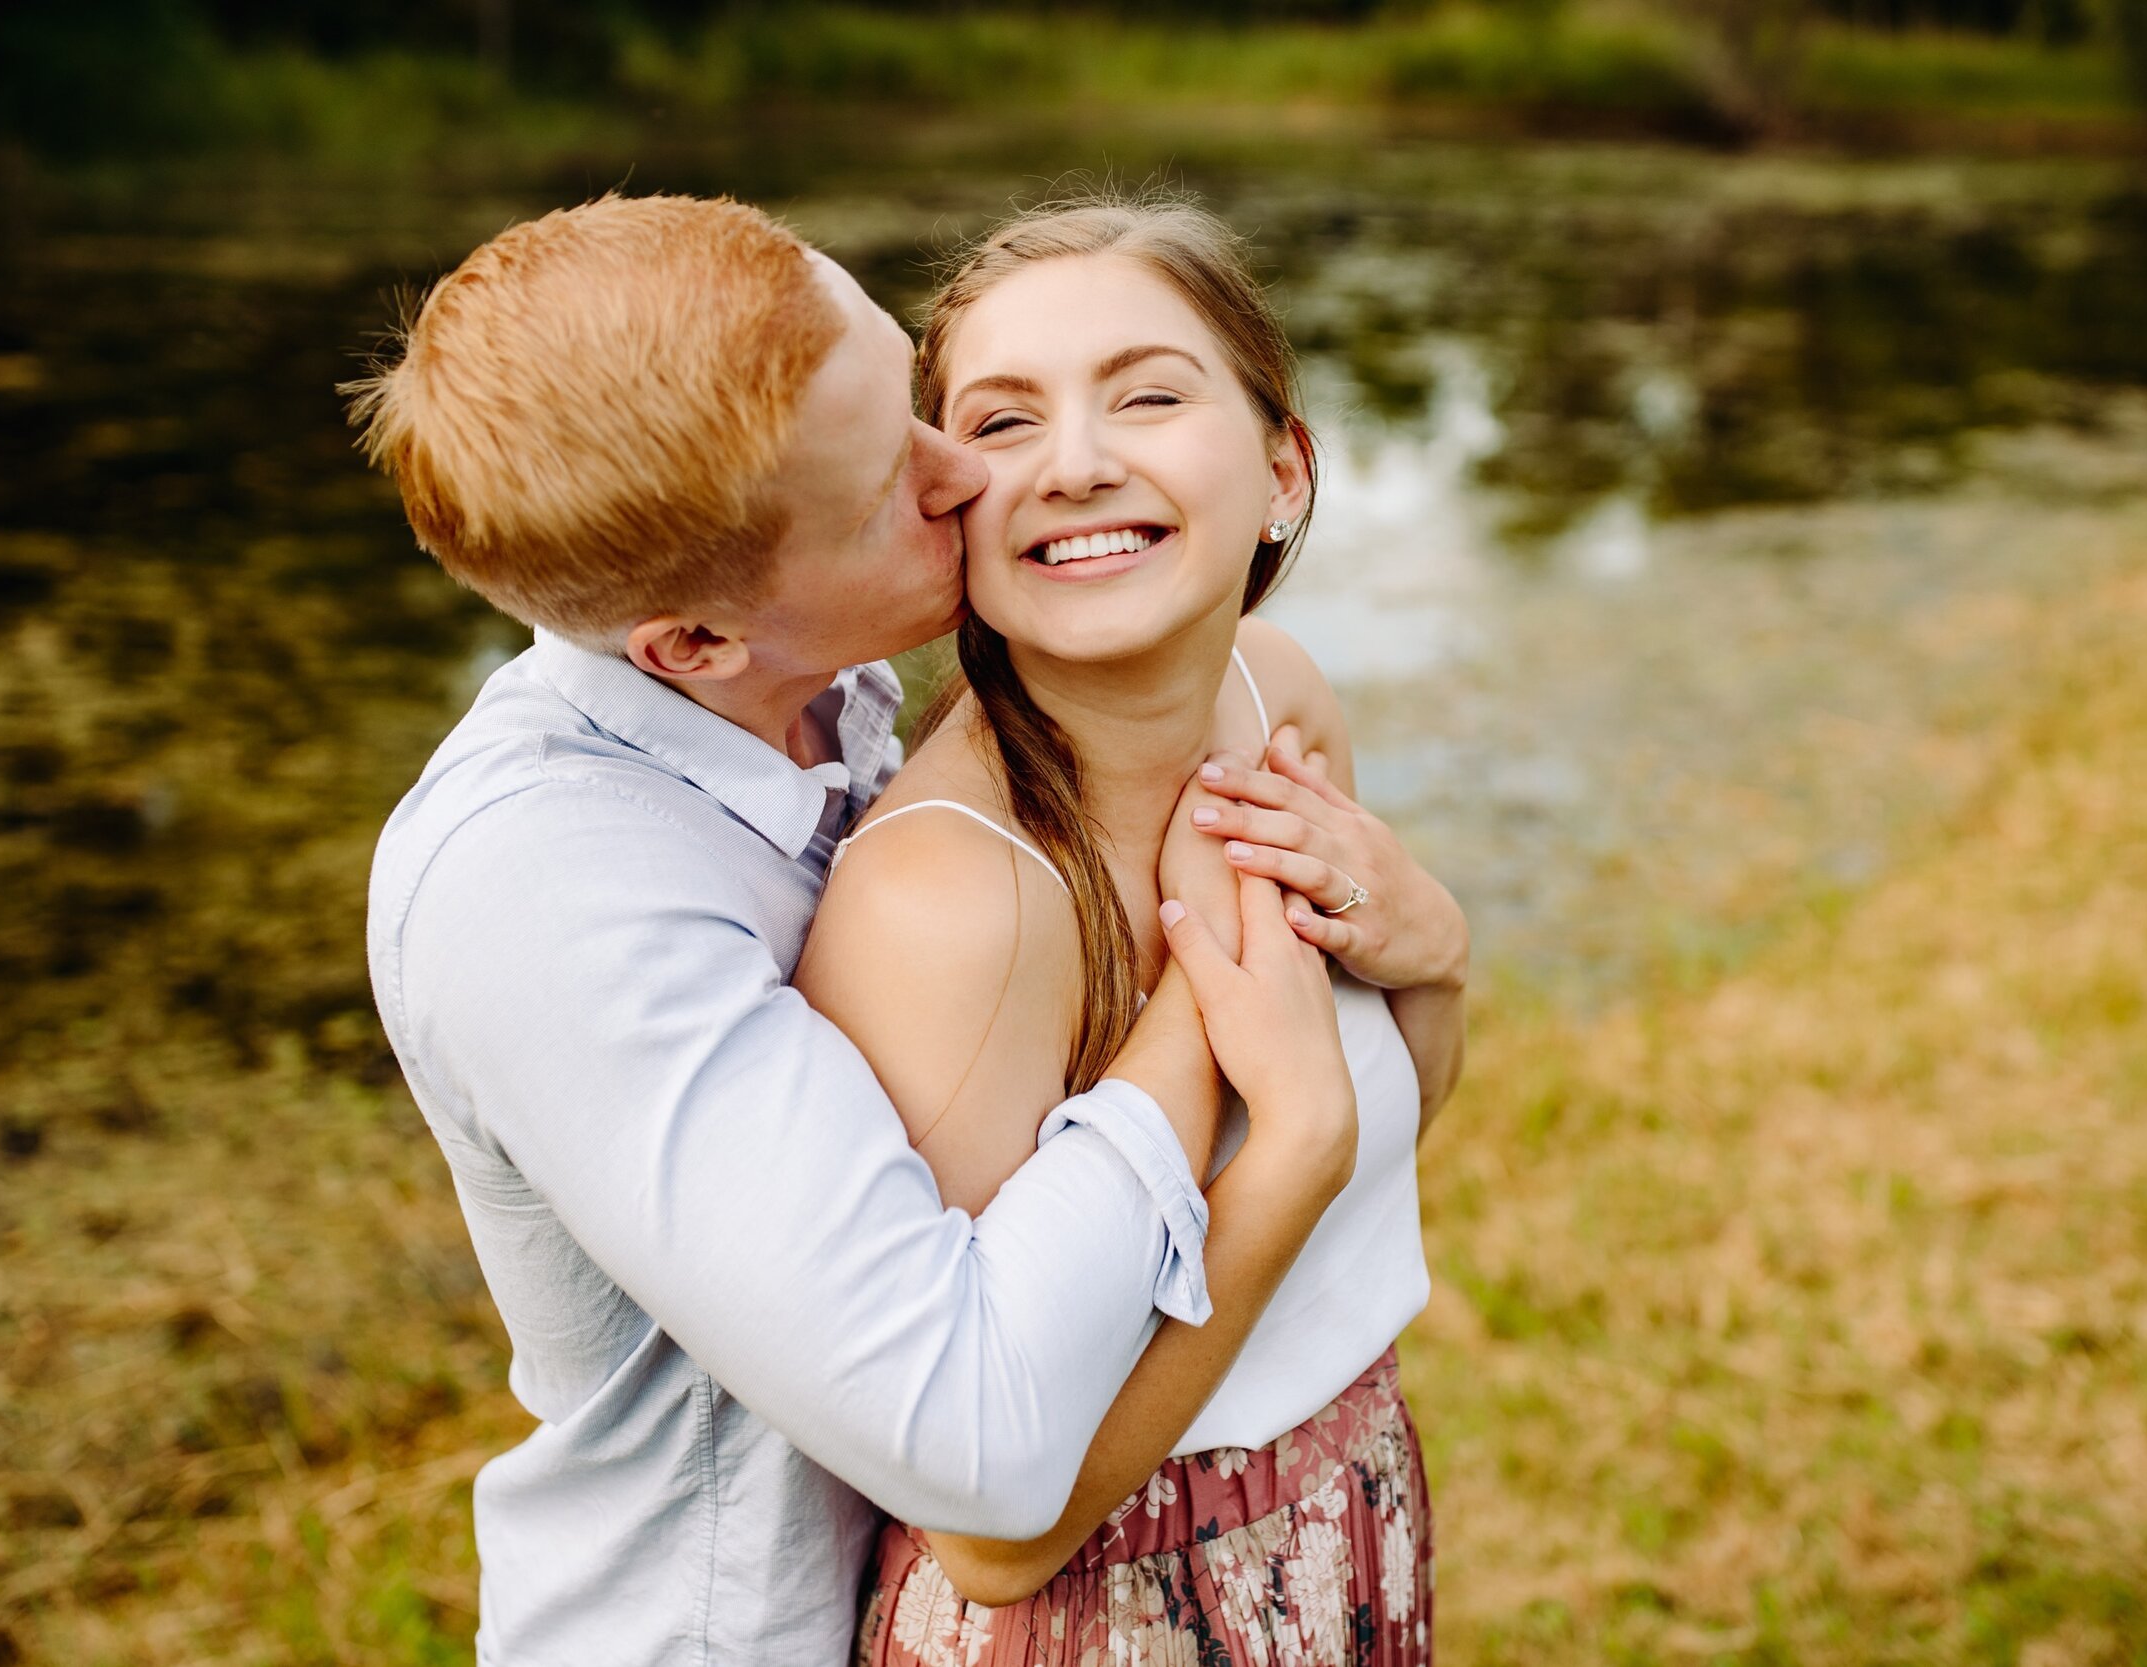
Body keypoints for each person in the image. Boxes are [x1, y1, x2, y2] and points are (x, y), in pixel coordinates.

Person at [345, 193, 1363, 1666]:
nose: (978, 471)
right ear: (693, 644)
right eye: (901, 472)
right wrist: (1211, 974)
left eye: (914, 397)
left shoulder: (813, 673)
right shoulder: (542, 894)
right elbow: (976, 1444)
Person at [801, 197, 1470, 1666]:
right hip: (1100, 1610)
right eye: (1003, 421)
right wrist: (1290, 1144)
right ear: (940, 499)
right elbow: (993, 1532)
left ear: (1284, 466)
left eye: (1150, 394)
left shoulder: (1274, 693)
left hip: (1347, 1503)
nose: (1081, 463)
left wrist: (1432, 946)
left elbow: (1406, 1081)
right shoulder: (948, 903)